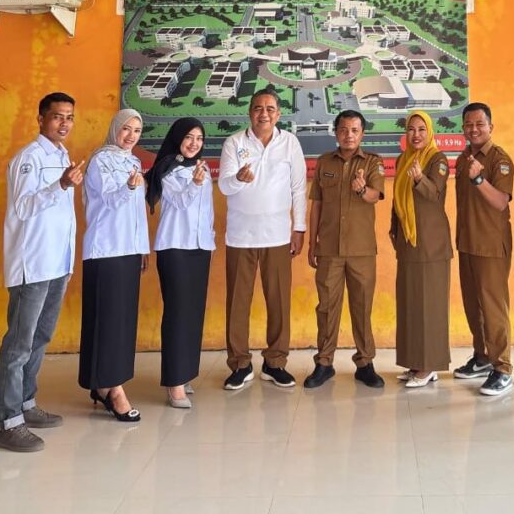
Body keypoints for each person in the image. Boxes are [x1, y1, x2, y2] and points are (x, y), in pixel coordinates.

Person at [0, 93, 84, 453]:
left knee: (40, 337)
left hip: (56, 263)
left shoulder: (61, 156)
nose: (64, 123)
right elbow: (23, 207)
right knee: (19, 344)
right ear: (41, 119)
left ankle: (26, 403)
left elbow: (62, 216)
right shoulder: (28, 158)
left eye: (69, 117)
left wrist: (69, 260)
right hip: (32, 264)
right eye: (57, 116)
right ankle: (8, 423)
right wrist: (60, 185)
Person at [218, 89, 307, 390]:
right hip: (240, 235)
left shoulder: (290, 143)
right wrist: (237, 179)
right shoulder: (234, 143)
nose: (264, 114)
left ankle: (275, 363)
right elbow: (224, 186)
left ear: (278, 114)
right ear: (250, 113)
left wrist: (299, 228)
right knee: (237, 303)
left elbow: (299, 188)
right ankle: (240, 364)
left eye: (270, 108)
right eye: (258, 108)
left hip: (278, 234)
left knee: (278, 300)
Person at [305, 110, 386, 389]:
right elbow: (316, 204)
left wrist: (362, 190)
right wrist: (312, 243)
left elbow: (375, 196)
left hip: (361, 250)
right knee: (327, 307)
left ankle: (365, 363)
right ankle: (324, 363)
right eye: (343, 129)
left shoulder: (373, 162)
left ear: (362, 133)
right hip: (329, 249)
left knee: (361, 307)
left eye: (354, 130)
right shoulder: (325, 162)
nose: (348, 135)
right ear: (336, 132)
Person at [78, 108, 148, 422]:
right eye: (126, 129)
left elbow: (137, 212)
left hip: (128, 250)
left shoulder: (133, 162)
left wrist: (142, 248)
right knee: (106, 319)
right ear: (115, 129)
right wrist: (129, 187)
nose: (131, 136)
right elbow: (109, 200)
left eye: (137, 131)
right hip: (105, 250)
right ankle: (112, 388)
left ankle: (104, 383)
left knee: (122, 320)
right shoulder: (100, 161)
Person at [146, 117, 215, 409]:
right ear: (177, 139)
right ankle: (173, 383)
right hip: (175, 248)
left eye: (199, 138)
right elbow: (179, 203)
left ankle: (184, 373)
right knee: (177, 313)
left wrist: (209, 238)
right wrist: (195, 184)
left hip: (200, 248)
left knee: (193, 314)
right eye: (188, 137)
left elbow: (206, 210)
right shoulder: (167, 170)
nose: (194, 144)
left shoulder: (202, 169)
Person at [453, 102, 514, 397]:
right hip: (467, 242)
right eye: (468, 124)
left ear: (491, 126)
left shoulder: (499, 160)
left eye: (480, 124)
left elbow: (501, 201)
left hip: (490, 245)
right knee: (473, 305)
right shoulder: (463, 158)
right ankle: (482, 357)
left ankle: (502, 368)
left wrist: (479, 179)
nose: (474, 129)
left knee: (493, 308)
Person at [390, 111, 452, 388]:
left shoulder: (437, 159)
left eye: (421, 129)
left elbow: (435, 195)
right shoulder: (403, 159)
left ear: (430, 132)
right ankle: (415, 362)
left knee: (430, 307)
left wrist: (419, 179)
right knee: (411, 304)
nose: (416, 135)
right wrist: (394, 229)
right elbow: (397, 199)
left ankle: (429, 366)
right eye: (411, 129)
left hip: (430, 245)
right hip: (408, 242)